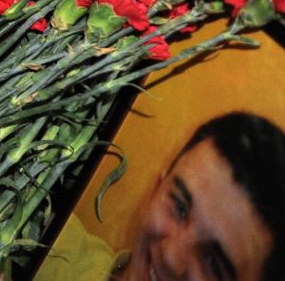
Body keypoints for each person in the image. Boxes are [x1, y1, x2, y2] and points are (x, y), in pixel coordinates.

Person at [42, 112, 285, 281]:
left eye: (213, 264)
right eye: (179, 207)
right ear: (157, 188)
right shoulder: (40, 249)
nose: (170, 257)